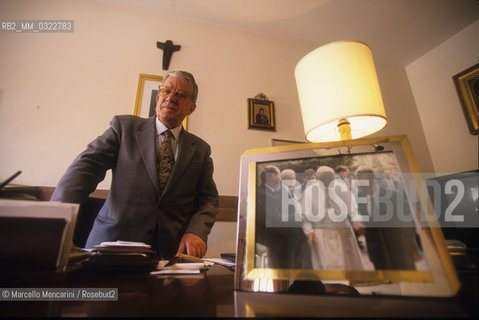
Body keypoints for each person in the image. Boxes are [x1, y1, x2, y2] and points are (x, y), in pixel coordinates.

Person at [51, 71, 219, 259]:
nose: (171, 98)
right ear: (157, 98)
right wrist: (57, 220)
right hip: (111, 248)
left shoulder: (201, 149)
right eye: (166, 91)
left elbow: (208, 199)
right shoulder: (124, 128)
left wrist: (197, 231)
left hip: (170, 255)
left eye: (180, 95)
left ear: (192, 108)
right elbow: (86, 167)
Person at [300, 166, 368, 271]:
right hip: (321, 234)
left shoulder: (342, 188)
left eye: (331, 177)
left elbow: (353, 209)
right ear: (318, 177)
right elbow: (304, 216)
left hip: (343, 231)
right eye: (325, 177)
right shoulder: (309, 192)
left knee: (349, 265)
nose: (328, 179)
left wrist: (357, 223)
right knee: (327, 267)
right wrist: (309, 231)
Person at [355, 166, 421, 270]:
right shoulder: (361, 199)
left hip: (399, 250)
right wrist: (362, 228)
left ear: (373, 180)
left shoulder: (393, 196)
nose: (361, 188)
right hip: (377, 252)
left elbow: (407, 223)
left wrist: (410, 247)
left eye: (364, 183)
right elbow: (367, 221)